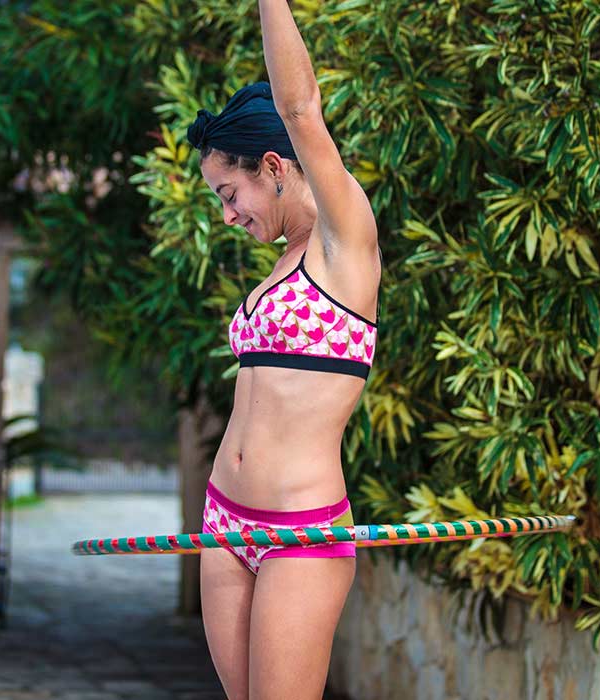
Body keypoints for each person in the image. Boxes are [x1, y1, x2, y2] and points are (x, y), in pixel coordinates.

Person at [186, 2, 381, 698]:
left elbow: (299, 109)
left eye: (229, 192)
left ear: (273, 166)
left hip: (300, 527)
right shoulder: (281, 264)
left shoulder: (343, 240)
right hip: (223, 518)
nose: (227, 215)